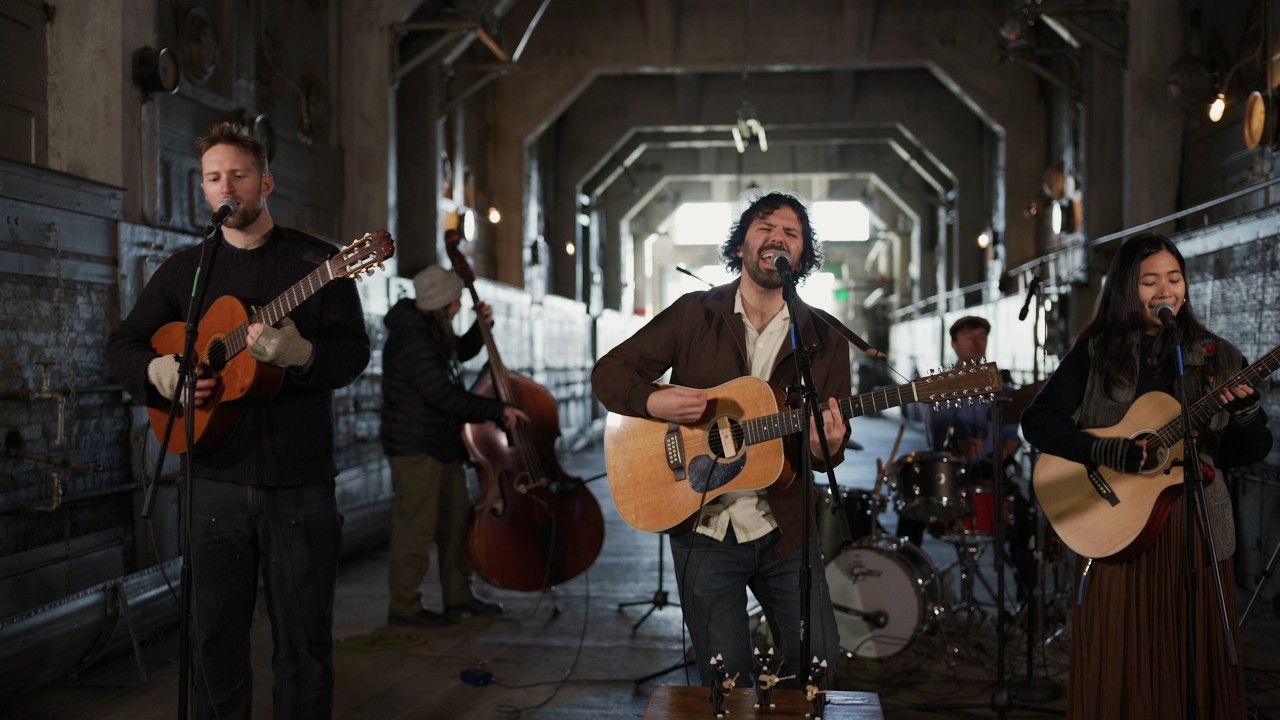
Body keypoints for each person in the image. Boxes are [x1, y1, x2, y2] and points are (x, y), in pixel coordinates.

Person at [106, 122, 372, 719]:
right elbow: (124, 343)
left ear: (266, 182)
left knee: (303, 645)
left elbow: (354, 353)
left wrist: (301, 355)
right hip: (212, 483)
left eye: (239, 175)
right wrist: (162, 373)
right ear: (203, 190)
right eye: (213, 177)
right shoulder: (187, 271)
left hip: (299, 483)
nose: (226, 186)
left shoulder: (321, 263)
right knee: (212, 642)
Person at [591, 191, 850, 687]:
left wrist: (825, 448)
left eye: (791, 233)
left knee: (818, 663)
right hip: (704, 524)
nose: (777, 238)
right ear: (741, 246)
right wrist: (654, 401)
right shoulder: (695, 314)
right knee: (728, 682)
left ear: (801, 257)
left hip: (786, 530)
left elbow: (828, 442)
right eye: (765, 227)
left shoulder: (823, 337)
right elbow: (610, 374)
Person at [1020, 233, 1271, 719]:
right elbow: (1037, 421)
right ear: (1124, 289)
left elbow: (1245, 453)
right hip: (1114, 527)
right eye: (1149, 280)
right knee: (1120, 649)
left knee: (1193, 654)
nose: (1165, 290)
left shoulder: (1217, 356)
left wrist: (1247, 416)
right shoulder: (1096, 353)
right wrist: (1103, 449)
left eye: (1174, 278)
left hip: (1194, 530)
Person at [380, 264, 526, 627]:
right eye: (456, 299)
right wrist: (497, 409)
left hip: (441, 444)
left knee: (456, 524)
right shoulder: (412, 338)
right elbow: (444, 395)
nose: (460, 304)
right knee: (416, 529)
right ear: (440, 303)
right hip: (417, 449)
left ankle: (458, 596)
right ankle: (405, 607)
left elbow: (457, 352)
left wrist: (481, 328)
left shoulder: (428, 328)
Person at [896, 316, 1034, 600]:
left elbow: (1011, 439)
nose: (976, 342)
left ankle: (1027, 601)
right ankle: (911, 593)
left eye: (982, 336)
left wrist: (998, 454)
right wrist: (958, 445)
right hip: (950, 476)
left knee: (1025, 519)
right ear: (954, 344)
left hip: (988, 474)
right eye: (969, 336)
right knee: (910, 514)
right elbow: (938, 438)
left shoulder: (1002, 391)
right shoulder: (939, 388)